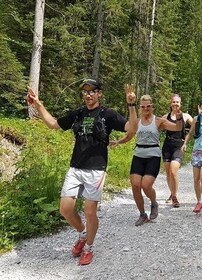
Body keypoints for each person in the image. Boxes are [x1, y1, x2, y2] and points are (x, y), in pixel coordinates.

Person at [26, 79, 137, 265]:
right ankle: (83, 234)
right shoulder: (78, 113)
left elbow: (132, 128)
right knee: (65, 209)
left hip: (96, 169)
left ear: (99, 93)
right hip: (75, 167)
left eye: (92, 91)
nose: (88, 95)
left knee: (90, 210)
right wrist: (37, 104)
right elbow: (53, 124)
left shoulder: (107, 114)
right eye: (85, 92)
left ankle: (89, 247)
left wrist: (131, 105)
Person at [112, 94, 183, 226]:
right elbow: (130, 134)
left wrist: (179, 117)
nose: (146, 109)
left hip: (153, 155)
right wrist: (118, 142)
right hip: (139, 154)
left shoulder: (159, 121)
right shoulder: (137, 121)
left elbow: (177, 128)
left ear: (152, 107)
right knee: (135, 185)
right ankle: (142, 214)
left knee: (146, 185)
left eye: (148, 106)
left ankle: (154, 202)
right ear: (140, 107)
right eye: (143, 106)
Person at [161, 94, 193, 207]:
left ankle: (174, 196)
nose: (175, 104)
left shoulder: (185, 116)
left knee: (174, 170)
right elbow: (157, 128)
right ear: (171, 103)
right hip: (167, 145)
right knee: (168, 172)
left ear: (180, 104)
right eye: (173, 102)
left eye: (177, 102)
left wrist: (186, 142)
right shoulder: (166, 116)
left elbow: (195, 126)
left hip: (179, 144)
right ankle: (172, 193)